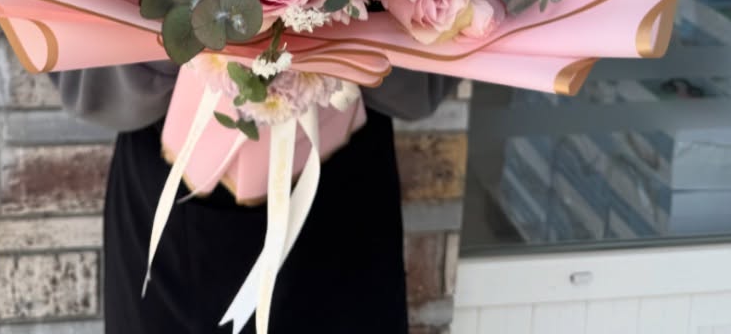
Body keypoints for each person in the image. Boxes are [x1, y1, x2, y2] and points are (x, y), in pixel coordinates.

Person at [57, 63, 454, 334]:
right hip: (177, 189)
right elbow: (85, 78)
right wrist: (186, 30)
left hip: (340, 190)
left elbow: (423, 81)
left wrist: (350, 28)